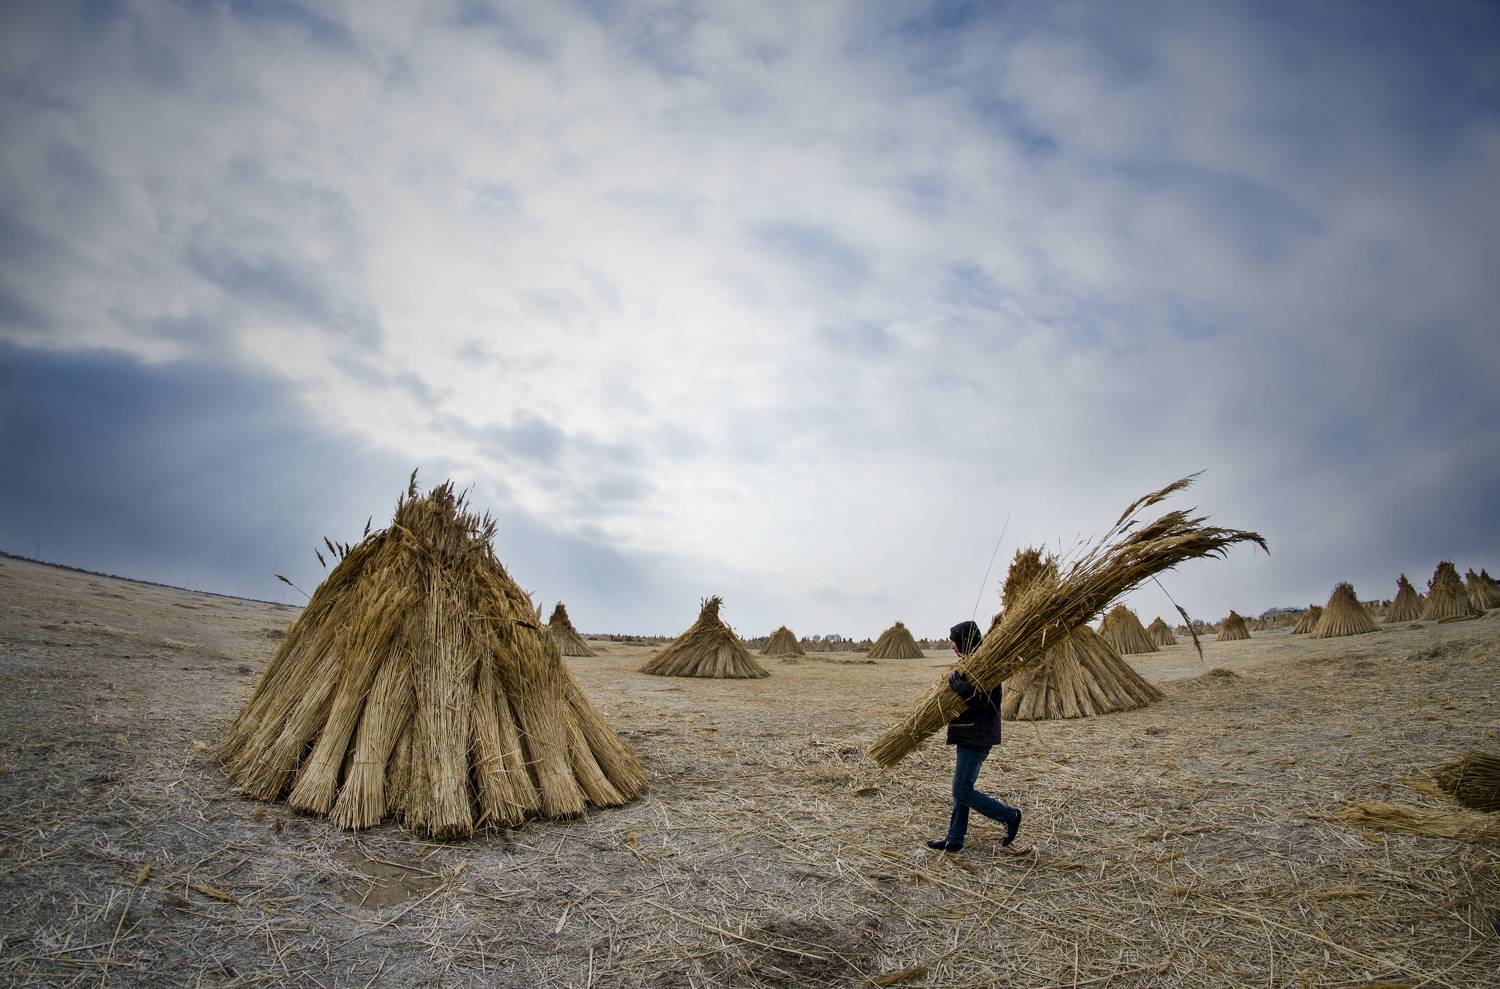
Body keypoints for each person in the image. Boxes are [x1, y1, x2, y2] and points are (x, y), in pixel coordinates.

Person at [927, 619, 1022, 853]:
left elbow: (989, 703)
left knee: (961, 789)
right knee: (962, 787)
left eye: (955, 641)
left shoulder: (987, 666)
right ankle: (955, 839)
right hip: (968, 734)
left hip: (977, 736)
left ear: (965, 641)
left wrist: (965, 691)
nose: (952, 645)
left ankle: (1009, 816)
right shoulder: (973, 664)